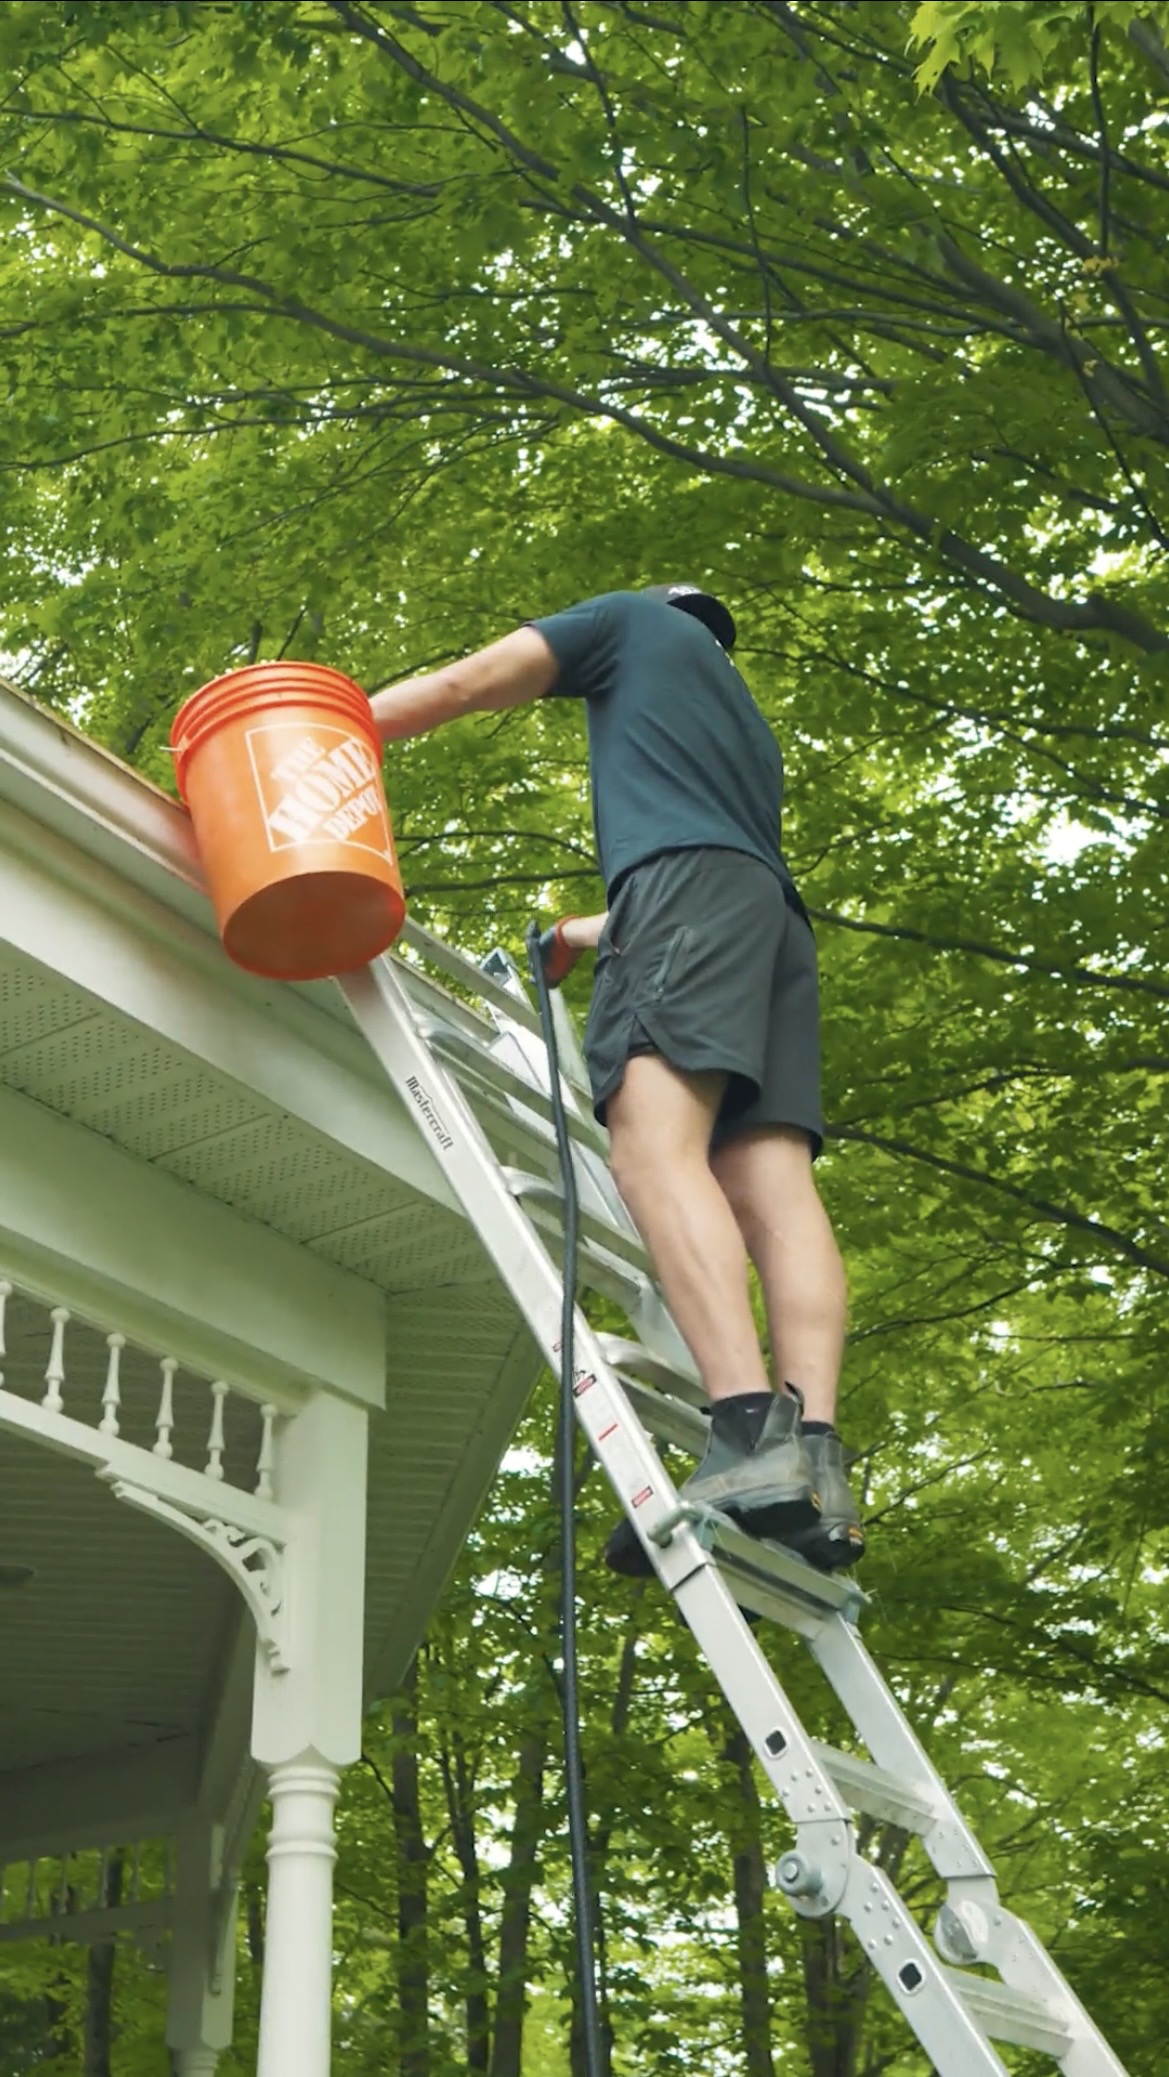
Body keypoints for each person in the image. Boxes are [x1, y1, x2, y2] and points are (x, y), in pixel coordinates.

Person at [370, 584, 863, 1573]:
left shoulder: (629, 619)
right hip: (768, 923)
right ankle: (813, 1454)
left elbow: (469, 683)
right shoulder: (741, 729)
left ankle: (741, 1437)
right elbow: (709, 882)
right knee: (774, 1193)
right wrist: (572, 937)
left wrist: (319, 729)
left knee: (651, 1147)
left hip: (685, 891)